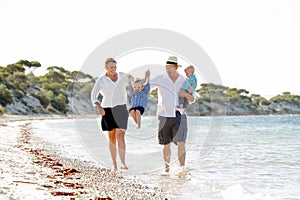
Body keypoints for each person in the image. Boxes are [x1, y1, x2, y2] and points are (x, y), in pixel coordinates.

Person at [150, 56, 196, 176]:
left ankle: (182, 169)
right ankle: (167, 169)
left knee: (181, 142)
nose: (168, 70)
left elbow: (193, 99)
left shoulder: (184, 80)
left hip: (180, 115)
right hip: (164, 115)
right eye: (167, 68)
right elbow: (145, 88)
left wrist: (185, 94)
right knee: (166, 144)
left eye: (171, 68)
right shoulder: (160, 79)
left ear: (176, 67)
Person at [90, 58, 131, 171]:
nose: (114, 69)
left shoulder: (122, 76)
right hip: (107, 109)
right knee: (112, 137)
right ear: (106, 68)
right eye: (111, 67)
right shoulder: (102, 80)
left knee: (120, 135)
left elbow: (134, 83)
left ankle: (123, 163)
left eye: (115, 67)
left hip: (121, 108)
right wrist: (99, 107)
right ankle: (114, 164)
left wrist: (139, 80)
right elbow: (93, 95)